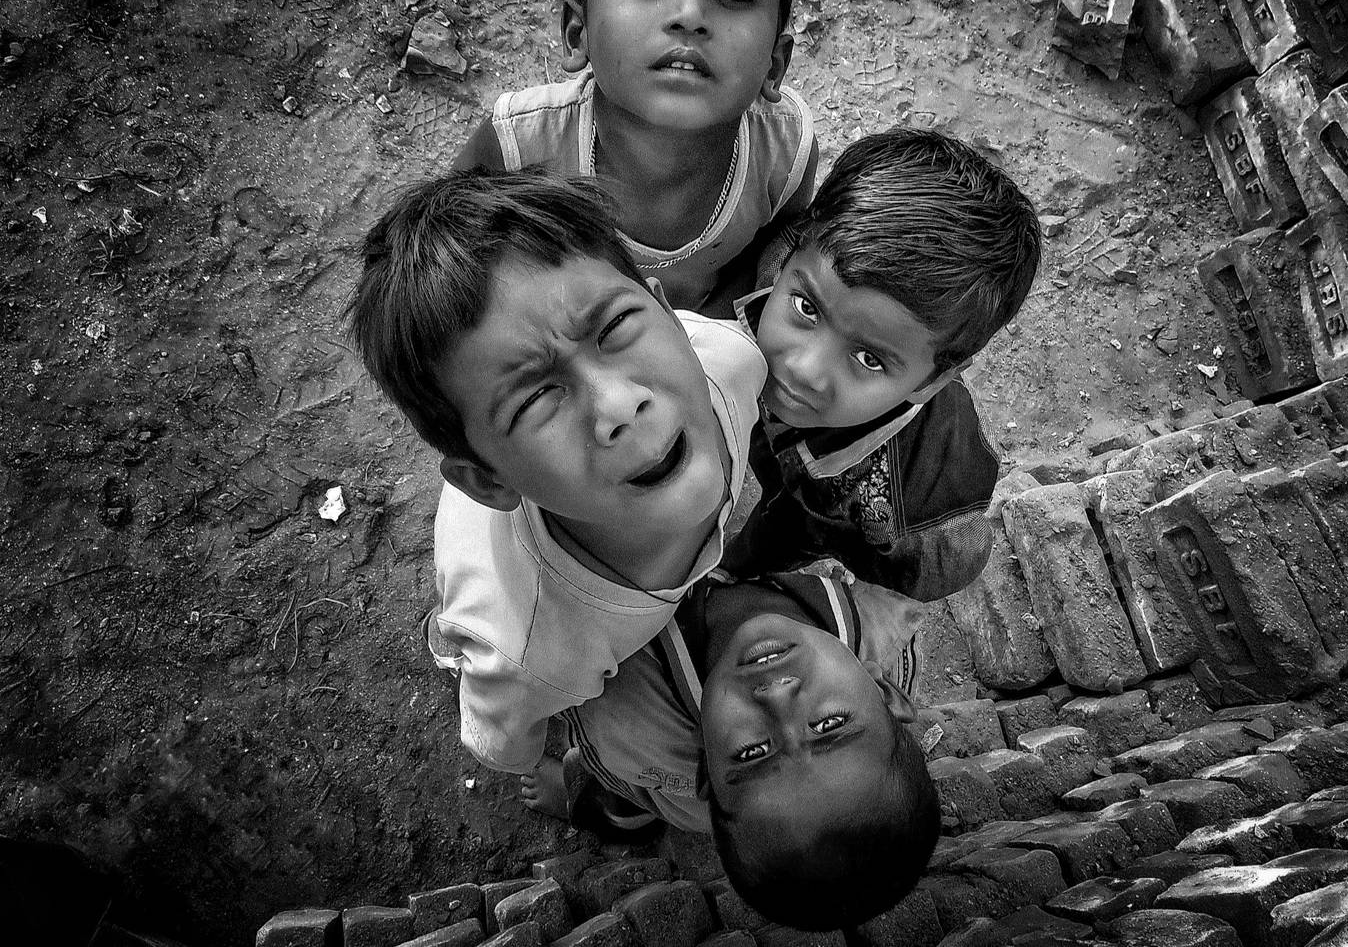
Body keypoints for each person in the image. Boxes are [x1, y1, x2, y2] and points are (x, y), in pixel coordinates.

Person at [345, 168, 765, 774]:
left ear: (670, 314)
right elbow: (501, 739)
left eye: (614, 327)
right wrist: (548, 771)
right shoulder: (523, 649)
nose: (619, 406)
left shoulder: (731, 363)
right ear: (488, 481)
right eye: (536, 399)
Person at [453, 0, 817, 317]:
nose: (690, 14)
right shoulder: (518, 149)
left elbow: (776, 254)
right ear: (577, 34)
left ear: (775, 63)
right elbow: (438, 263)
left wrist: (705, 330)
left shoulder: (784, 154)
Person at [727, 128, 1043, 600]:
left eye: (868, 359)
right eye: (808, 309)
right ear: (796, 250)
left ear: (932, 382)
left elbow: (945, 563)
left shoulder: (910, 509)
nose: (804, 368)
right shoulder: (778, 265)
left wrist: (741, 563)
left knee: (786, 528)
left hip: (839, 513)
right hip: (799, 451)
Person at [533, 564, 939, 931]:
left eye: (753, 752)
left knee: (624, 789)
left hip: (663, 777)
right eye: (829, 725)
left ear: (706, 770)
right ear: (884, 690)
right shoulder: (883, 622)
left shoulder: (627, 706)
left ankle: (593, 801)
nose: (778, 698)